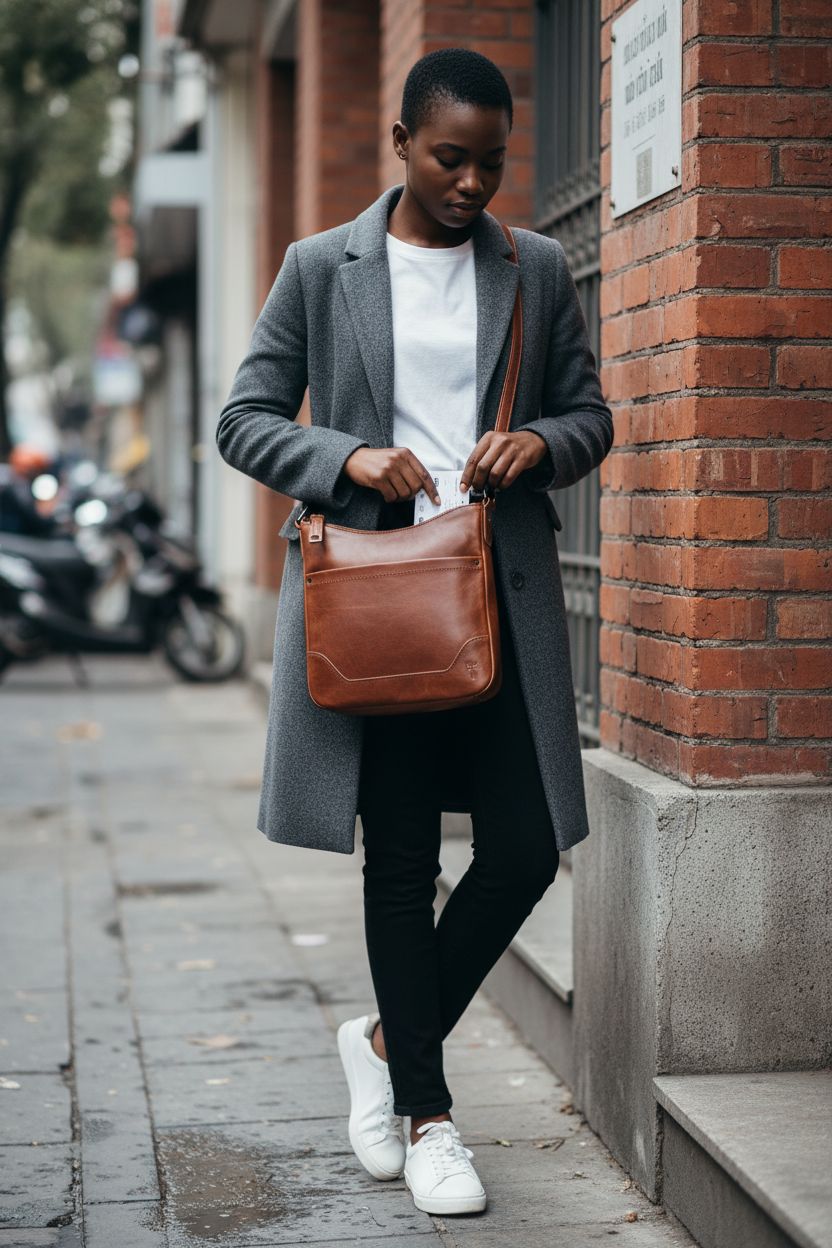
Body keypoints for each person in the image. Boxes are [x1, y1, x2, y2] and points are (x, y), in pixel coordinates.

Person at [216, 47, 613, 1218]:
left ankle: (389, 1039)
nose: (474, 183)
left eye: (492, 161)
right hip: (381, 594)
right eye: (451, 158)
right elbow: (244, 418)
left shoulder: (536, 268)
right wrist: (345, 458)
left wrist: (539, 444)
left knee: (528, 847)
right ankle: (429, 1117)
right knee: (398, 860)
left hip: (501, 598)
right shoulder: (318, 267)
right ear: (399, 143)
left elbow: (591, 414)